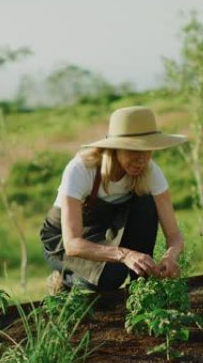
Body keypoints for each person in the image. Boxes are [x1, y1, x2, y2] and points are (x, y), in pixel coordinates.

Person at [40, 106, 187, 292]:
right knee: (112, 276)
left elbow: (174, 235)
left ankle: (144, 285)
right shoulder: (81, 169)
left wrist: (170, 257)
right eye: (134, 150)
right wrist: (124, 255)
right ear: (114, 149)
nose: (141, 159)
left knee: (145, 203)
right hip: (65, 241)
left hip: (110, 232)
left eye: (147, 149)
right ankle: (65, 280)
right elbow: (73, 244)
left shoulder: (151, 172)